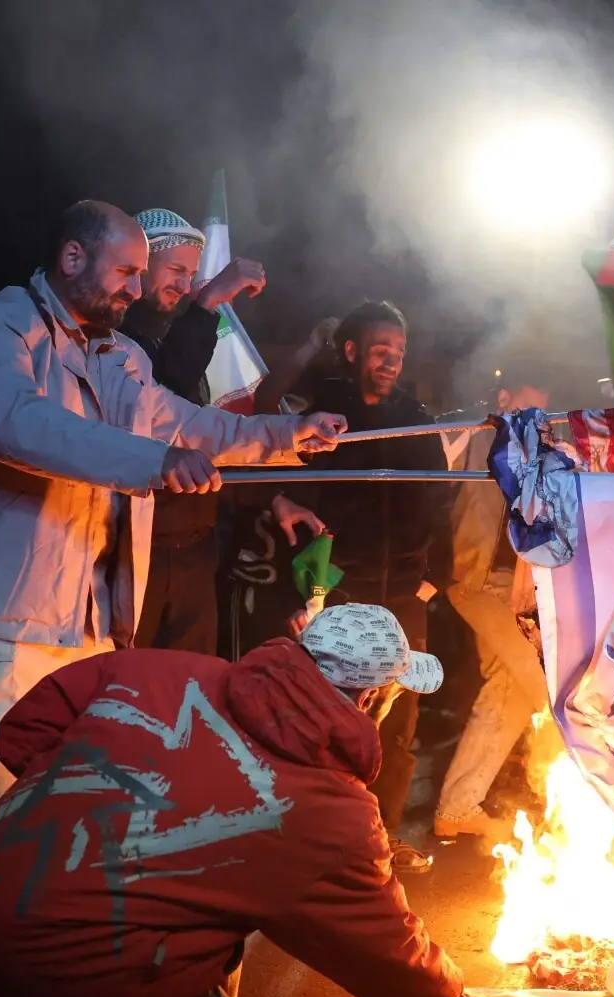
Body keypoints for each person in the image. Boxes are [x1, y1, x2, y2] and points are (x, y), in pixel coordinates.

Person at [0, 200, 347, 997]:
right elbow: (18, 425)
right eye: (124, 272)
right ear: (72, 256)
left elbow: (192, 425)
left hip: (88, 630)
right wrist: (154, 463)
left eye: (142, 275)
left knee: (63, 818)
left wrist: (289, 434)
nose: (136, 289)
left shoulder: (119, 354)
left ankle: (26, 980)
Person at [0, 604, 493, 997]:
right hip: (72, 975)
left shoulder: (153, 667)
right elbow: (383, 949)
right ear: (371, 697)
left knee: (211, 896)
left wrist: (100, 813)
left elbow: (24, 731)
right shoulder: (333, 813)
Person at [249, 300, 451, 874]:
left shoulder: (414, 419)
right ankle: (316, 839)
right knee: (326, 719)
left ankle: (380, 840)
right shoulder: (322, 408)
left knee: (399, 724)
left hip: (405, 594)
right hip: (337, 592)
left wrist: (433, 580)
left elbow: (441, 502)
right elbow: (264, 406)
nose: (391, 361)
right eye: (381, 350)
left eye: (399, 352)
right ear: (352, 351)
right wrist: (303, 597)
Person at [121, 208, 269, 654]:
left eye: (191, 275)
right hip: (136, 548)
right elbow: (162, 396)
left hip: (195, 544)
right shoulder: (112, 336)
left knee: (190, 680)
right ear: (139, 264)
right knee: (129, 679)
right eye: (176, 270)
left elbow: (206, 432)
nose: (185, 286)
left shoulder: (172, 330)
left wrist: (274, 494)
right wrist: (208, 304)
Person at [433, 372, 554, 840]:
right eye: (529, 407)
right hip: (474, 578)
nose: (537, 419)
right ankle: (592, 808)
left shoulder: (540, 448)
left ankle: (457, 809)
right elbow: (432, 487)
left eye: (542, 412)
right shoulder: (472, 433)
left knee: (509, 691)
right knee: (546, 686)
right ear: (504, 397)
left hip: (514, 586)